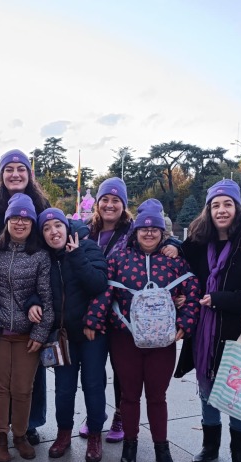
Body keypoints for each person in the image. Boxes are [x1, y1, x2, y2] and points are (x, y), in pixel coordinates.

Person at [85, 199, 200, 462]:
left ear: (163, 233)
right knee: (129, 396)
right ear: (135, 231)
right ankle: (130, 445)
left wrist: (185, 321)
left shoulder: (174, 260)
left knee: (157, 397)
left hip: (163, 342)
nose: (149, 233)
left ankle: (162, 447)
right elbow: (105, 291)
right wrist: (93, 320)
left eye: (155, 229)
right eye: (143, 228)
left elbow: (193, 289)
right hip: (126, 340)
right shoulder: (119, 258)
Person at [174, 179, 241, 462]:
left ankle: (240, 453)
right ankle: (209, 445)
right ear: (208, 209)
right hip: (202, 331)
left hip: (238, 329)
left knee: (237, 392)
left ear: (237, 207)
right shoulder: (196, 243)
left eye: (227, 204)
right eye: (215, 205)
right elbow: (182, 273)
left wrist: (219, 299)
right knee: (206, 390)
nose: (221, 210)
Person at [84, 178, 180, 443]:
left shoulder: (132, 231)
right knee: (94, 373)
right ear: (97, 202)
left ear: (124, 205)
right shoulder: (86, 230)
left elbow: (158, 241)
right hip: (90, 307)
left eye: (116, 200)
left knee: (121, 372)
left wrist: (176, 245)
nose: (110, 204)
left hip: (122, 314)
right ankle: (95, 416)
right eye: (105, 199)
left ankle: (119, 415)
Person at [0, 149, 51, 449]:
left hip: (28, 295)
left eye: (22, 168)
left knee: (30, 370)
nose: (16, 174)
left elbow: (54, 241)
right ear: (1, 174)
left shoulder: (41, 204)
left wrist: (34, 297)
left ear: (29, 174)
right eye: (9, 169)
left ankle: (29, 423)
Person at [36, 208, 108, 462]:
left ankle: (95, 436)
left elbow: (99, 284)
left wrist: (76, 255)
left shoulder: (87, 248)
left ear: (67, 227)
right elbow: (36, 287)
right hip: (62, 336)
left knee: (93, 385)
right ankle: (63, 433)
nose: (53, 232)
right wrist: (32, 303)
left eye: (57, 225)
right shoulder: (45, 257)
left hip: (90, 335)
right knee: (64, 389)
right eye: (46, 228)